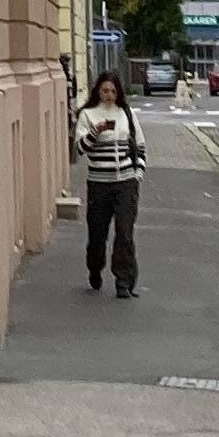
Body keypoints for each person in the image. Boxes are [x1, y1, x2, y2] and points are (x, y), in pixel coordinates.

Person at [76, 67, 146, 298]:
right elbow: (80, 149)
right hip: (99, 183)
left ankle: (124, 281)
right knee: (98, 234)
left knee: (125, 232)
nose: (109, 95)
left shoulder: (126, 113)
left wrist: (138, 173)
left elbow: (140, 144)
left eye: (113, 91)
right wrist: (95, 132)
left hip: (126, 182)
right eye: (105, 91)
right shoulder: (88, 115)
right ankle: (95, 268)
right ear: (98, 91)